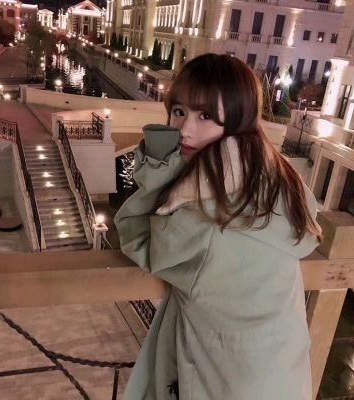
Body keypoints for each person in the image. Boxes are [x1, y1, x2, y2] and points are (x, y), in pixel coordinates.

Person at [114, 53, 322, 400]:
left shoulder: (203, 214)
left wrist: (159, 166)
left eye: (206, 116)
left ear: (237, 120)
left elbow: (137, 238)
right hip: (282, 373)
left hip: (226, 383)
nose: (185, 129)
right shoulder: (280, 183)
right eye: (178, 111)